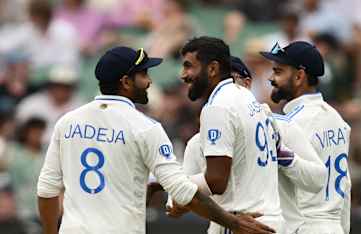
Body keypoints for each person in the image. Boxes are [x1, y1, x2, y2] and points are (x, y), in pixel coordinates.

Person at [36, 46, 276, 234]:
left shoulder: (68, 122)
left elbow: (47, 190)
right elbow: (183, 192)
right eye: (143, 74)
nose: (150, 81)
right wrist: (234, 223)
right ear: (126, 82)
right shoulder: (144, 127)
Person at [171, 54, 326, 234]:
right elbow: (176, 205)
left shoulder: (282, 127)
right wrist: (182, 191)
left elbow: (318, 180)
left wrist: (285, 157)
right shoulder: (197, 141)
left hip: (274, 226)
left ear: (247, 84)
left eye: (231, 80)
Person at [168, 36, 284, 234]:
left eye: (189, 66)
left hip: (245, 223)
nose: (183, 75)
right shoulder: (246, 96)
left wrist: (174, 186)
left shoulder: (218, 107)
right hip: (271, 219)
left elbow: (216, 181)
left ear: (212, 69)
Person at [260, 41, 351, 234]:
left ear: (300, 76)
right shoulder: (338, 120)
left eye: (278, 71)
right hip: (334, 227)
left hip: (304, 225)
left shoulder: (288, 124)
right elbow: (346, 185)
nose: (271, 78)